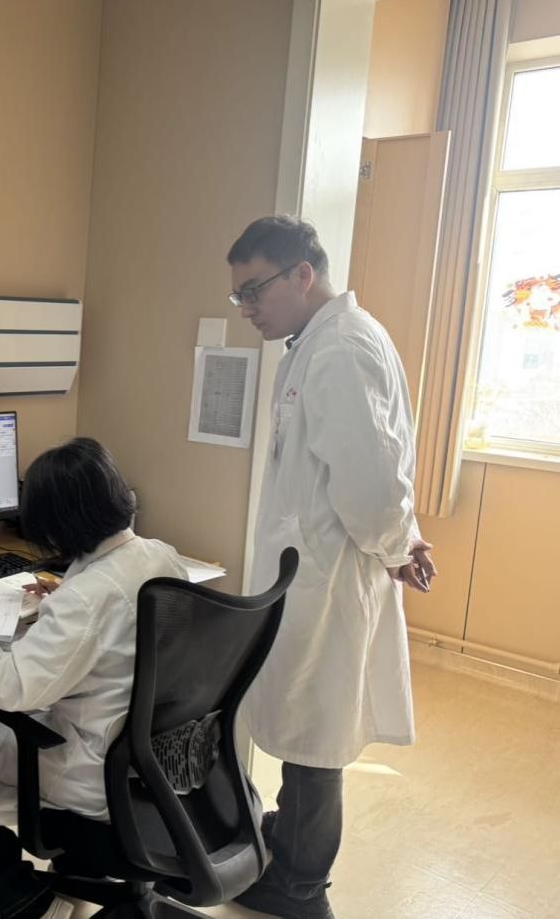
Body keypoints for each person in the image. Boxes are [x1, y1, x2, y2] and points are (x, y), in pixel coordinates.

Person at [226, 216, 436, 919]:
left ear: (302, 274)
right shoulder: (319, 343)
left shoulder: (340, 349)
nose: (246, 308)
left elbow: (371, 484)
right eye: (239, 295)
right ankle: (287, 846)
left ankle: (300, 888)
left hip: (330, 577)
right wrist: (401, 541)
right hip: (314, 572)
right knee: (307, 724)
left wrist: (400, 545)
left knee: (317, 738)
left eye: (254, 290)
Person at [0, 437, 187, 919]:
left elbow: (12, 688)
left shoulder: (87, 597)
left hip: (95, 771)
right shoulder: (160, 556)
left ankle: (22, 904)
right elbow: (114, 619)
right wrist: (65, 590)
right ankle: (80, 872)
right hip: (159, 761)